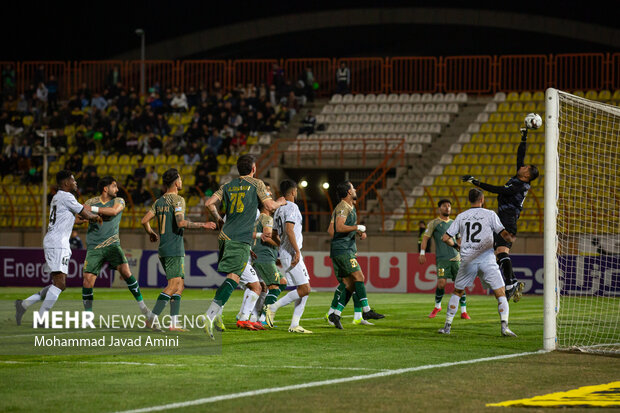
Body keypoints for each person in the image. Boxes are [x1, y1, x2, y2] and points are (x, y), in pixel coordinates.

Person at [203, 154, 286, 339]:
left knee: (254, 284)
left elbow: (209, 203)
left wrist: (217, 218)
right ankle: (209, 315)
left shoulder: (227, 185)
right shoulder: (256, 184)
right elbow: (270, 206)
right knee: (233, 277)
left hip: (226, 237)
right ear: (254, 168)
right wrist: (281, 201)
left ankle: (223, 316)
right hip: (238, 238)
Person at [461, 125, 539, 302]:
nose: (522, 166)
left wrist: (476, 182)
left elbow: (498, 190)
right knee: (500, 252)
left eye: (525, 168)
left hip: (507, 219)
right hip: (506, 219)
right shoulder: (519, 178)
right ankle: (511, 283)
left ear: (527, 176)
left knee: (500, 251)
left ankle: (511, 283)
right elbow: (520, 155)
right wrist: (524, 137)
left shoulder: (519, 185)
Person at [14, 170, 101, 325]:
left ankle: (23, 304)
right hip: (57, 243)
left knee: (58, 283)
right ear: (66, 183)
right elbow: (85, 213)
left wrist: (88, 219)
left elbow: (71, 219)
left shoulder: (57, 197)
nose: (75, 183)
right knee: (60, 283)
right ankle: (41, 319)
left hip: (56, 242)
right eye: (73, 180)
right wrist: (97, 217)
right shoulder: (67, 197)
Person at [141, 169, 216, 331]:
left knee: (179, 285)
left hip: (164, 247)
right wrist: (203, 224)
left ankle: (174, 323)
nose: (181, 182)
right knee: (173, 284)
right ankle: (152, 319)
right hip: (173, 247)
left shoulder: (159, 201)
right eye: (180, 179)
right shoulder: (178, 200)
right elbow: (181, 223)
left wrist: (151, 233)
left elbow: (144, 220)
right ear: (176, 182)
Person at [437, 188, 517, 337]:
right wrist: (510, 239)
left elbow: (445, 238)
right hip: (487, 259)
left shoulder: (461, 216)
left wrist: (457, 246)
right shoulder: (490, 214)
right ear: (482, 199)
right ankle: (504, 327)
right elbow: (503, 233)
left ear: (469, 200)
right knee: (500, 293)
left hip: (468, 260)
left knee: (458, 292)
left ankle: (447, 326)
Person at [78, 176, 151, 318]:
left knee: (126, 273)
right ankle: (88, 317)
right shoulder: (90, 201)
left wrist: (91, 210)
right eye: (114, 186)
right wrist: (83, 215)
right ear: (106, 188)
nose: (117, 189)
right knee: (87, 281)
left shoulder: (119, 201)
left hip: (112, 245)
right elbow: (78, 218)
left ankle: (144, 308)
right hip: (94, 247)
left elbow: (113, 212)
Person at [325, 181, 384, 329]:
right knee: (359, 277)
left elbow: (334, 230)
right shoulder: (343, 207)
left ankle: (336, 314)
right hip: (343, 250)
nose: (355, 189)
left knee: (349, 285)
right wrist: (357, 227)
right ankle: (366, 310)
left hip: (345, 249)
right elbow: (338, 227)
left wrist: (356, 232)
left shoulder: (349, 207)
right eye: (353, 187)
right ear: (349, 192)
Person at [264, 179, 312, 334]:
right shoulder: (292, 207)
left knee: (303, 287)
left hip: (287, 251)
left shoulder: (279, 209)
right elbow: (290, 230)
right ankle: (273, 307)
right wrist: (296, 251)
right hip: (292, 253)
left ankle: (294, 324)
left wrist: (282, 247)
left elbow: (274, 233)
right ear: (293, 191)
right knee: (305, 289)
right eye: (296, 191)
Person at [419, 199, 469, 319]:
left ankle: (464, 311)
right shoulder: (434, 223)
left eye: (449, 206)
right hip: (442, 259)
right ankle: (437, 306)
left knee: (460, 284)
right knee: (441, 284)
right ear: (439, 208)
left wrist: (459, 248)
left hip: (456, 259)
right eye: (444, 206)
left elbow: (459, 239)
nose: (447, 208)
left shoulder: (455, 223)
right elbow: (425, 238)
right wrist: (422, 253)